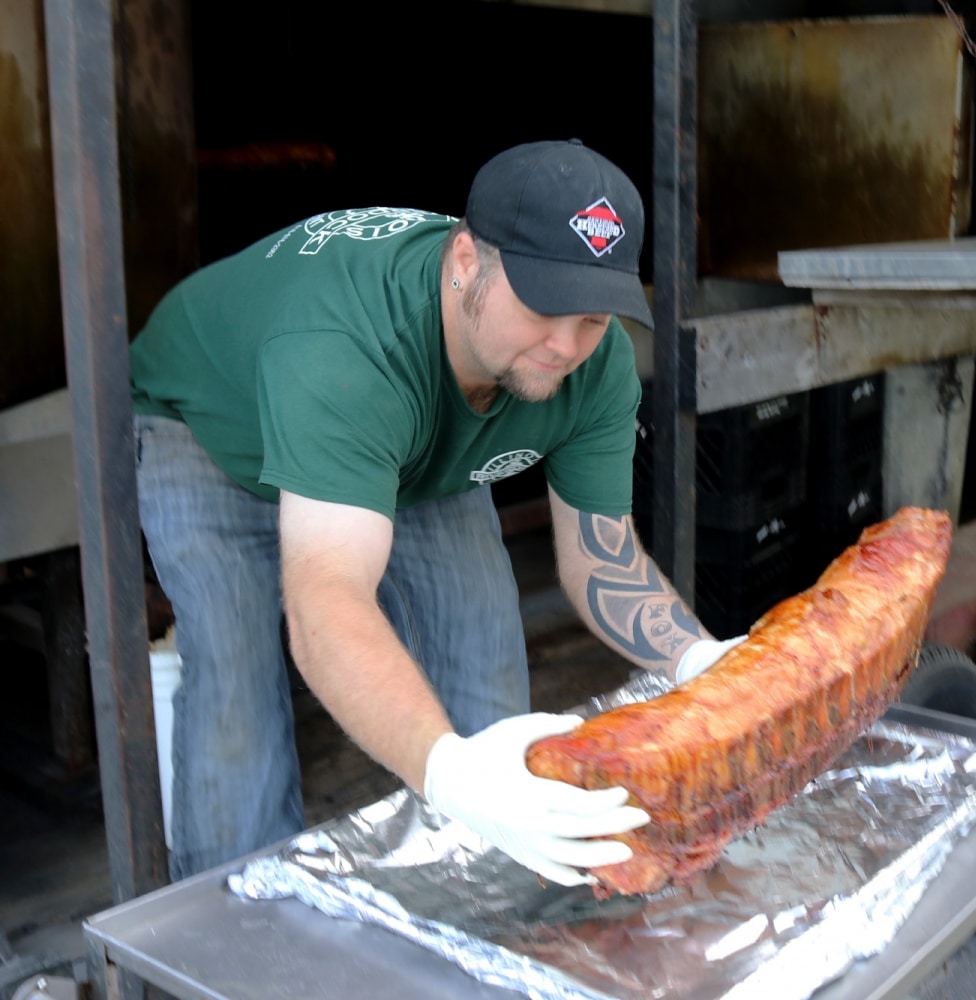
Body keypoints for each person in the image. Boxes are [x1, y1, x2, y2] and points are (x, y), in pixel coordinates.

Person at [130, 139, 744, 886]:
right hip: (208, 426)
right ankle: (237, 921)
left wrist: (697, 659)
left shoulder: (592, 360)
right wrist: (449, 772)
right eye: (543, 303)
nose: (564, 344)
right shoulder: (346, 349)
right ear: (464, 263)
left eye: (591, 316)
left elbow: (602, 556)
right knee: (235, 675)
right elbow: (327, 603)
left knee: (482, 640)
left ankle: (490, 890)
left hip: (406, 440)